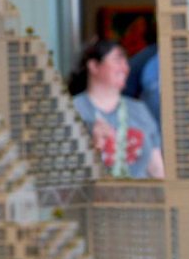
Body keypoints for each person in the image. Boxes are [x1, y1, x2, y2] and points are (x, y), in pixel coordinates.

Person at [68, 39, 164, 179]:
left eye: (126, 61)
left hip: (140, 198)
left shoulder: (139, 110)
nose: (125, 68)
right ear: (94, 66)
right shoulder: (72, 111)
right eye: (117, 60)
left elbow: (156, 168)